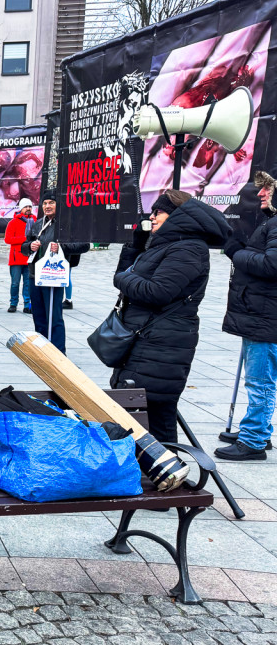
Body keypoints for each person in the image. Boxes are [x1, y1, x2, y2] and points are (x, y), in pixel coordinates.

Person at [110, 190, 230, 443]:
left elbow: (158, 291)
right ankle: (166, 470)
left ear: (177, 216)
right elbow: (130, 276)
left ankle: (164, 470)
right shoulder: (168, 245)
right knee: (155, 416)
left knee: (152, 414)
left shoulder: (188, 249)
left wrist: (123, 278)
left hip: (161, 345)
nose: (152, 217)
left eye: (158, 212)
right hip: (147, 341)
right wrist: (136, 245)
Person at [216, 171, 277, 460]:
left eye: (267, 189)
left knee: (260, 381)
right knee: (260, 378)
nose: (261, 194)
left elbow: (271, 266)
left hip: (266, 316)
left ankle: (253, 441)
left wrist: (235, 253)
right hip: (261, 313)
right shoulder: (271, 222)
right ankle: (258, 430)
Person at [21, 192, 89, 354]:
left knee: (54, 316)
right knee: (38, 316)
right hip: (34, 276)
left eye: (51, 203)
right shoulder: (37, 224)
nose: (47, 206)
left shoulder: (67, 224)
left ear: (59, 205)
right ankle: (43, 351)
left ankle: (58, 353)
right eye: (45, 204)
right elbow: (24, 246)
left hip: (53, 277)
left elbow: (84, 245)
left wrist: (62, 247)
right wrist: (29, 246)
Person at [5, 198, 34, 313]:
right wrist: (25, 239)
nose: (28, 209)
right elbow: (8, 239)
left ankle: (27, 305)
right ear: (21, 209)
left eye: (30, 207)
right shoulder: (13, 223)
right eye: (26, 207)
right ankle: (13, 303)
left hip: (30, 258)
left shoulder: (35, 221)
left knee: (28, 284)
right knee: (15, 283)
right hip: (16, 259)